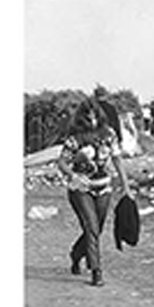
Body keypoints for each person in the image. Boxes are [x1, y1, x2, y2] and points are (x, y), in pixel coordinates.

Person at [58, 100, 129, 287]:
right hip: (80, 189)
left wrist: (126, 186)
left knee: (97, 228)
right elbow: (62, 162)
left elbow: (117, 160)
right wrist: (73, 175)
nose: (92, 118)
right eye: (88, 115)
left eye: (95, 114)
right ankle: (96, 271)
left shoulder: (109, 135)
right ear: (82, 117)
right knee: (91, 227)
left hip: (104, 187)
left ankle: (75, 254)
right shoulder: (75, 138)